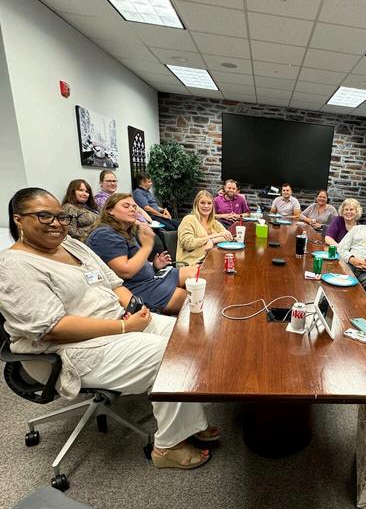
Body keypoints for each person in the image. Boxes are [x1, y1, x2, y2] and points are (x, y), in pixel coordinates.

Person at [0, 188, 219, 470]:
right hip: (67, 349)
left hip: (116, 321)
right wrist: (124, 326)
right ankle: (168, 447)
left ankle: (189, 423)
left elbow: (114, 284)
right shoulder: (14, 266)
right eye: (44, 216)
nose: (56, 223)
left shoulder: (71, 245)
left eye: (61, 216)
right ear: (18, 219)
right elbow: (51, 328)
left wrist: (135, 308)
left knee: (187, 334)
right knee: (167, 355)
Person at [86, 193, 198, 314]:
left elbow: (134, 261)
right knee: (192, 298)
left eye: (134, 207)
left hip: (151, 278)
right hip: (137, 288)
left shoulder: (126, 231)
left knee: (193, 272)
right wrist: (147, 246)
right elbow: (125, 271)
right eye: (126, 206)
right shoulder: (104, 234)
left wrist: (154, 266)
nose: (132, 209)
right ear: (110, 211)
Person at [177, 190, 232, 265]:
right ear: (196, 204)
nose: (206, 206)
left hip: (212, 260)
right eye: (202, 203)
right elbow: (188, 244)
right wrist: (215, 236)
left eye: (209, 203)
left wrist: (212, 241)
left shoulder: (214, 222)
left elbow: (228, 237)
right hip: (193, 263)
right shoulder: (189, 219)